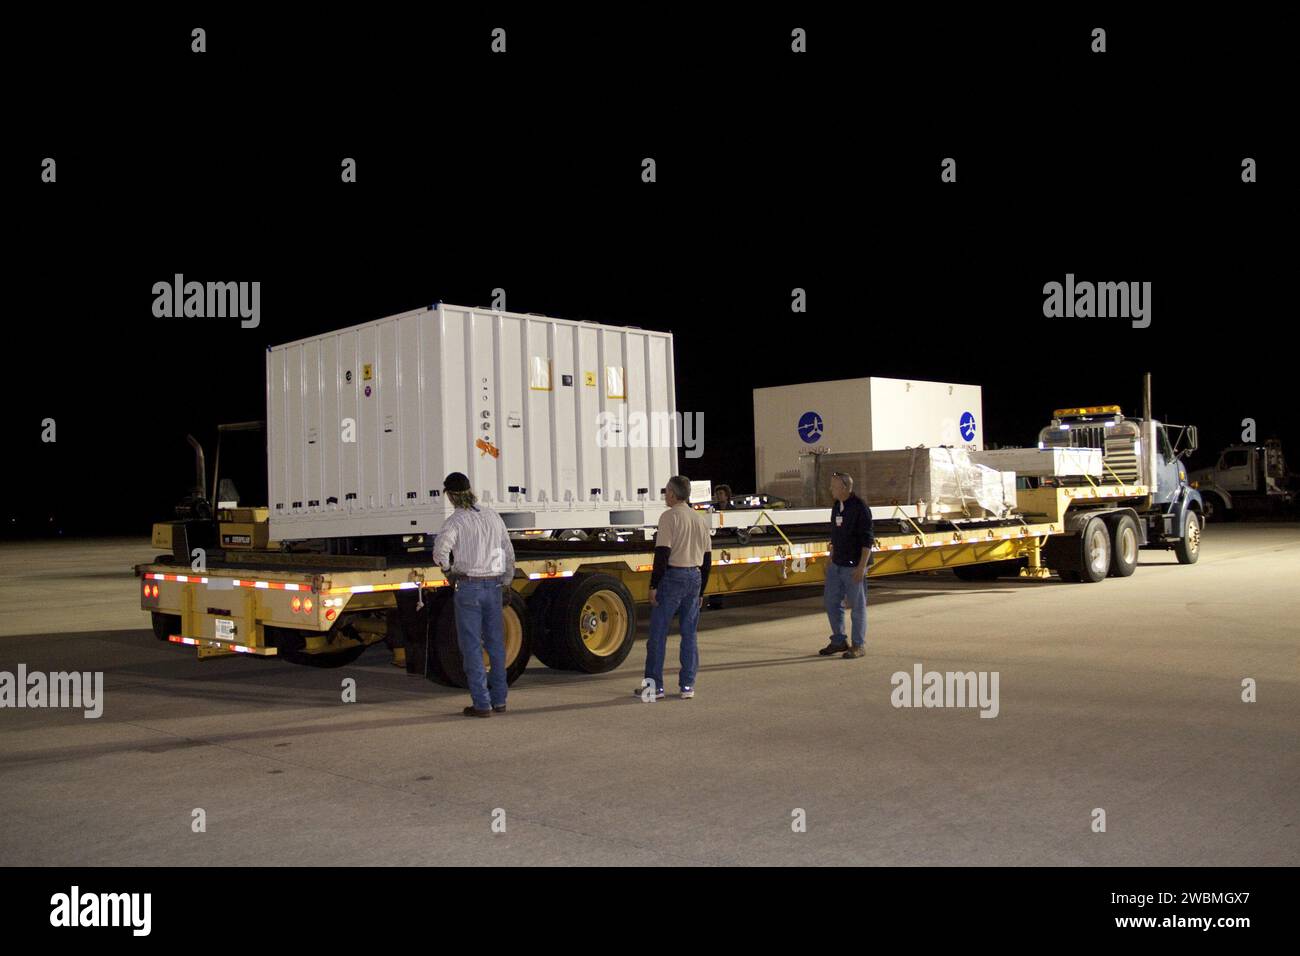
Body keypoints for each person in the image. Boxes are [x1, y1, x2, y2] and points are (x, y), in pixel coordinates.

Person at [432, 471, 516, 717]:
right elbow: (508, 553)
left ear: (450, 495)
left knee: (471, 647)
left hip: (468, 588)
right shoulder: (492, 516)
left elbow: (440, 553)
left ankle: (482, 704)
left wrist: (449, 571)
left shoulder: (455, 521)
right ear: (470, 490)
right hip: (495, 586)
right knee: (496, 645)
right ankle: (500, 700)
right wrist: (507, 582)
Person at [638, 475, 712, 700]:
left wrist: (653, 584)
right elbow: (707, 558)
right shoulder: (700, 519)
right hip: (695, 577)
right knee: (689, 634)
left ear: (672, 493)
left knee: (658, 634)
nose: (665, 495)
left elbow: (662, 554)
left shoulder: (669, 517)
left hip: (673, 577)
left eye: (666, 491)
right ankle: (687, 685)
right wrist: (701, 591)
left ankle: (654, 687)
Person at [820, 471, 873, 659]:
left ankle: (858, 645)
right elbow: (835, 534)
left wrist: (861, 567)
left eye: (833, 486)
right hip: (837, 563)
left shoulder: (860, 507)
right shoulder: (837, 506)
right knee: (831, 601)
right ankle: (838, 640)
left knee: (857, 606)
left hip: (854, 565)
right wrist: (830, 556)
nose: (830, 489)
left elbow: (868, 540)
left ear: (844, 487)